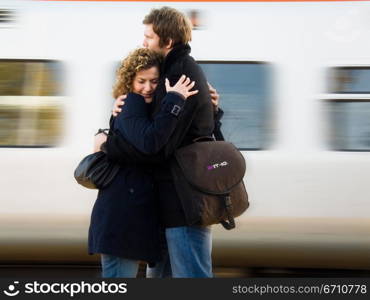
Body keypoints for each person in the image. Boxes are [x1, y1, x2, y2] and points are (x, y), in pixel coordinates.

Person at [104, 7, 218, 278]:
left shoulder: (178, 77)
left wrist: (108, 145)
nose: (143, 42)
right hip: (172, 202)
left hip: (183, 202)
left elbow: (154, 144)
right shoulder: (176, 70)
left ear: (167, 42)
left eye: (149, 36)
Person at [88, 47, 198, 278]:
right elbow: (149, 147)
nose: (147, 88)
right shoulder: (131, 104)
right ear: (130, 81)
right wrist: (176, 100)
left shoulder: (146, 111)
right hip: (121, 220)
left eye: (154, 81)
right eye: (141, 81)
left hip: (135, 221)